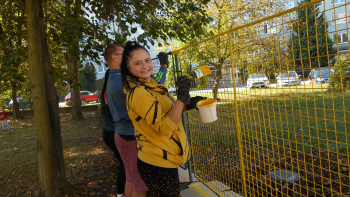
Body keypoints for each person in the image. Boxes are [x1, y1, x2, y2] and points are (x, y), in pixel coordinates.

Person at [120, 41, 205, 196]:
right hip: (157, 162)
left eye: (147, 60)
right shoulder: (139, 93)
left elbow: (166, 111)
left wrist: (188, 104)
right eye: (137, 63)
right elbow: (164, 127)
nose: (145, 66)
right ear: (128, 68)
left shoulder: (151, 84)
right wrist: (181, 97)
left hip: (164, 157)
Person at [105, 45, 168, 197]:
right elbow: (153, 87)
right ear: (115, 57)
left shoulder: (113, 77)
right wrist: (164, 67)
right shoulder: (123, 81)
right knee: (140, 183)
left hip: (121, 134)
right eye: (125, 54)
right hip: (131, 136)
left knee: (131, 177)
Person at [100, 69, 126, 197]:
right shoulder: (111, 93)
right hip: (113, 134)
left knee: (127, 164)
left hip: (112, 133)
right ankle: (120, 193)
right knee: (126, 165)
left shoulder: (108, 89)